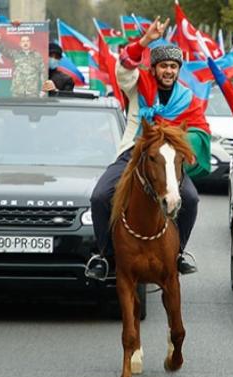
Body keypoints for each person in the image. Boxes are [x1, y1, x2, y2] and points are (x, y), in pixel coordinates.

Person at [85, 17, 211, 279]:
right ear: (154, 68)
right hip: (134, 153)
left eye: (173, 66)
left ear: (178, 70)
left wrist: (184, 150)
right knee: (99, 197)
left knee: (190, 198)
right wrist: (145, 41)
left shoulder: (188, 99)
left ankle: (179, 254)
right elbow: (123, 68)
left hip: (167, 158)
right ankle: (104, 256)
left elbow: (201, 131)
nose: (168, 71)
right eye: (163, 65)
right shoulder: (137, 84)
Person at [0, 33, 46, 98]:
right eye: (23, 41)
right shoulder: (15, 54)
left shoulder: (37, 56)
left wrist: (44, 90)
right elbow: (4, 51)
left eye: (27, 41)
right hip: (18, 91)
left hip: (32, 92)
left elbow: (43, 73)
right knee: (17, 108)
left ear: (30, 43)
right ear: (20, 44)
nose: (25, 43)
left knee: (32, 108)